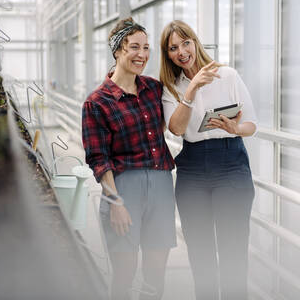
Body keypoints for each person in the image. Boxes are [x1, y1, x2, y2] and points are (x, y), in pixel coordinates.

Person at [159, 20, 257, 300]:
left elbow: (251, 123)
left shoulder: (227, 75)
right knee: (200, 254)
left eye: (185, 43)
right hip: (192, 167)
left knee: (233, 251)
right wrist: (190, 90)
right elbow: (176, 129)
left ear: (195, 42)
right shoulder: (171, 86)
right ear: (168, 55)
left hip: (231, 161)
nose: (181, 52)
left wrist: (235, 128)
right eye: (173, 48)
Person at [82, 17, 176, 300]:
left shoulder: (153, 89)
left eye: (146, 48)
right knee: (124, 272)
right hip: (124, 190)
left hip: (161, 186)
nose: (143, 55)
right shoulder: (97, 102)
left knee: (156, 272)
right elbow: (99, 158)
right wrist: (115, 202)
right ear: (118, 51)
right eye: (134, 47)